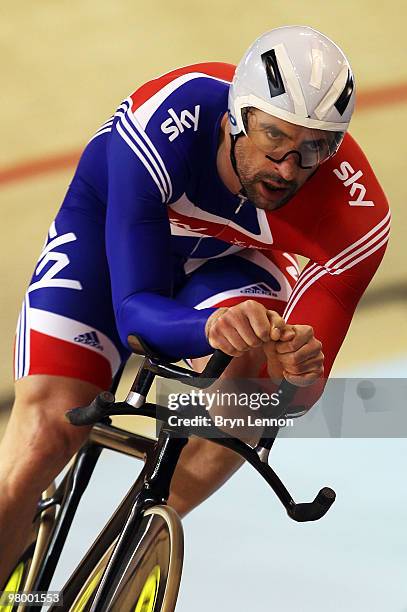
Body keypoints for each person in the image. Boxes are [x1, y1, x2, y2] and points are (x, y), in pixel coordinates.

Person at [0, 25, 389, 584]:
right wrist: (209, 328)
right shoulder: (167, 117)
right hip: (113, 243)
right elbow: (136, 315)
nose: (287, 167)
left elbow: (295, 398)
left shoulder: (359, 218)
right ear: (235, 115)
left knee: (254, 388)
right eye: (274, 138)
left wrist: (295, 370)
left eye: (313, 149)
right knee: (44, 434)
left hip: (228, 268)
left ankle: (128, 550)